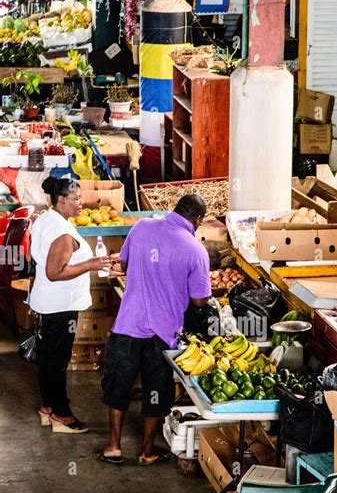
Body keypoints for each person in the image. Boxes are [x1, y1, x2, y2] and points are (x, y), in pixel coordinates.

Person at [97, 194, 211, 465]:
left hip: (128, 324)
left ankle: (113, 446)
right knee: (155, 390)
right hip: (164, 333)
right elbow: (199, 300)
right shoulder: (196, 250)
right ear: (197, 220)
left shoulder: (141, 227)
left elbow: (123, 265)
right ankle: (147, 451)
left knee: (118, 385)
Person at [29, 177, 112, 433]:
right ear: (61, 200)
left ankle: (48, 408)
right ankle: (62, 415)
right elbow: (55, 272)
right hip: (61, 305)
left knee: (48, 357)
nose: (82, 203)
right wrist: (91, 264)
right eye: (76, 199)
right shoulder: (62, 234)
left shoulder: (47, 219)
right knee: (57, 360)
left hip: (47, 301)